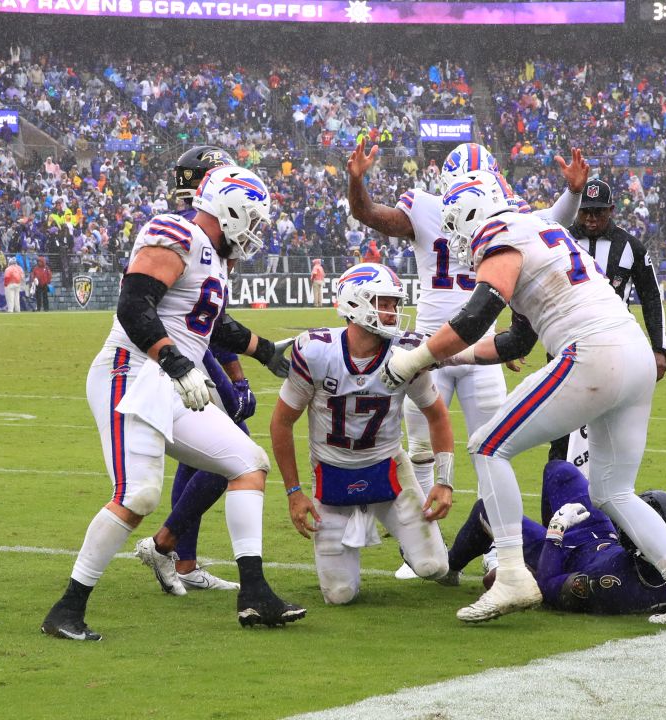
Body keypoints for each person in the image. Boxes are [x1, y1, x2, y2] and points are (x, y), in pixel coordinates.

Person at [379, 170, 666, 628]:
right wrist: (440, 360)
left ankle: (514, 575)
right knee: (613, 491)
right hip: (633, 352)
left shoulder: (500, 234)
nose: (456, 237)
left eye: (456, 224)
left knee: (486, 444)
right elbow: (517, 342)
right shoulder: (543, 230)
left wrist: (413, 358)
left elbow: (478, 314)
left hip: (593, 352)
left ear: (472, 214)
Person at [40, 164, 306, 642]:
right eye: (255, 219)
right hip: (132, 371)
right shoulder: (174, 231)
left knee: (248, 462)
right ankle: (67, 608)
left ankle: (254, 593)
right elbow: (134, 305)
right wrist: (175, 362)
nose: (256, 231)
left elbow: (209, 323)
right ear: (231, 210)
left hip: (172, 377)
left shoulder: (214, 259)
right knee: (138, 495)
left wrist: (263, 350)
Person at [346, 140, 587, 579]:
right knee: (422, 450)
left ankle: (497, 547)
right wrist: (356, 182)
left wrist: (571, 195)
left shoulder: (498, 217)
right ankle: (424, 545)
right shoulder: (427, 209)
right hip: (430, 346)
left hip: (477, 351)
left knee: (491, 449)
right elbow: (369, 214)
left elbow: (546, 227)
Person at [131, 146, 291, 595]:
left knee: (223, 446)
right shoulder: (187, 234)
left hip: (195, 345)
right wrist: (234, 377)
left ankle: (178, 555)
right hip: (173, 356)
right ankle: (172, 552)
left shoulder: (212, 238)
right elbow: (200, 321)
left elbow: (214, 316)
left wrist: (241, 371)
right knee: (232, 450)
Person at [269, 263, 457, 605]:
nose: (393, 313)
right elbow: (281, 423)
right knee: (340, 595)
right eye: (384, 303)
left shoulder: (405, 354)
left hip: (388, 469)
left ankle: (404, 530)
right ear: (356, 303)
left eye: (394, 305)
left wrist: (444, 482)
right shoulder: (316, 352)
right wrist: (294, 492)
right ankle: (362, 532)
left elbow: (437, 415)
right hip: (331, 475)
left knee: (433, 566)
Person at [446, 459, 666, 615]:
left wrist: (554, 533)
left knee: (489, 508)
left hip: (563, 557)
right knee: (558, 470)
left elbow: (549, 586)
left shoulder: (608, 580)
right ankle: (525, 559)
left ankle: (451, 567)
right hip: (603, 536)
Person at [553, 178, 666, 468]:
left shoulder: (630, 247)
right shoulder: (559, 241)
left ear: (612, 210)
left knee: (610, 434)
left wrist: (660, 349)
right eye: (585, 212)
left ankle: (606, 502)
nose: (591, 220)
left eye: (599, 213)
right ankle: (555, 503)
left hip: (614, 354)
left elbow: (652, 298)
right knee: (559, 435)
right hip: (564, 349)